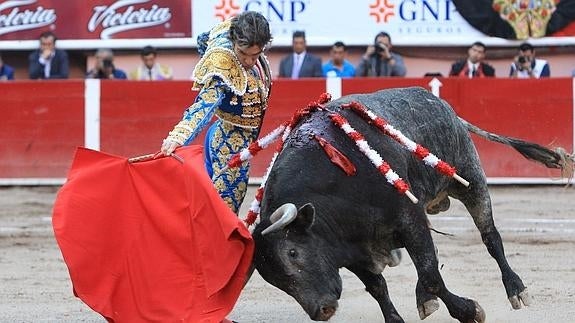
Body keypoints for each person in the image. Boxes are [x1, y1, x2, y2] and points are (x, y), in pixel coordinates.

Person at [160, 11, 272, 214]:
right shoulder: (222, 64)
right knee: (225, 212)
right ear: (234, 41)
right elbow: (205, 103)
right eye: (242, 53)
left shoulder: (231, 31)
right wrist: (178, 136)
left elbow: (204, 38)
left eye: (255, 55)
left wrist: (209, 52)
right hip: (228, 142)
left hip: (232, 137)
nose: (248, 61)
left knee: (214, 206)